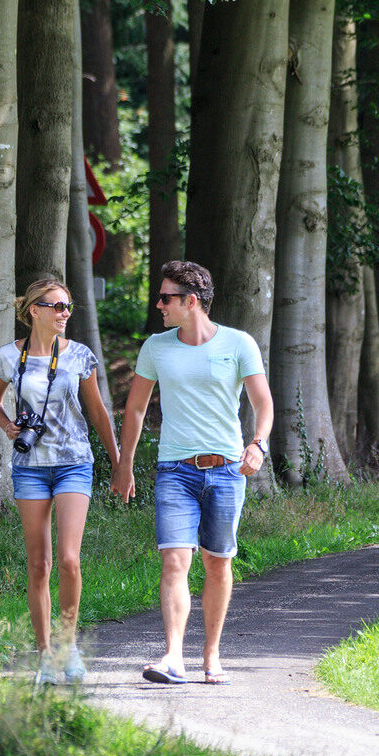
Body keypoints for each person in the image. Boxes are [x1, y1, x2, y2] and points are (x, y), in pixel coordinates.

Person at [111, 260, 273, 685]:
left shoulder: (239, 344)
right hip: (175, 471)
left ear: (192, 302)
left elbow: (263, 403)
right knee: (174, 561)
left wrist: (258, 444)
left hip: (226, 471)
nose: (159, 304)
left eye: (166, 298)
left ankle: (212, 654)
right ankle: (173, 657)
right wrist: (124, 465)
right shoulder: (156, 347)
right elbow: (136, 408)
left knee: (217, 564)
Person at [0, 277, 119, 685]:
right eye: (56, 306)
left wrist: (120, 463)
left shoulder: (79, 355)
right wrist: (8, 426)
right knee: (39, 564)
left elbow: (96, 411)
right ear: (34, 311)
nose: (64, 313)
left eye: (68, 306)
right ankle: (45, 657)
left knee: (69, 559)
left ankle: (68, 645)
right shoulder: (9, 357)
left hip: (74, 462)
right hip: (30, 468)